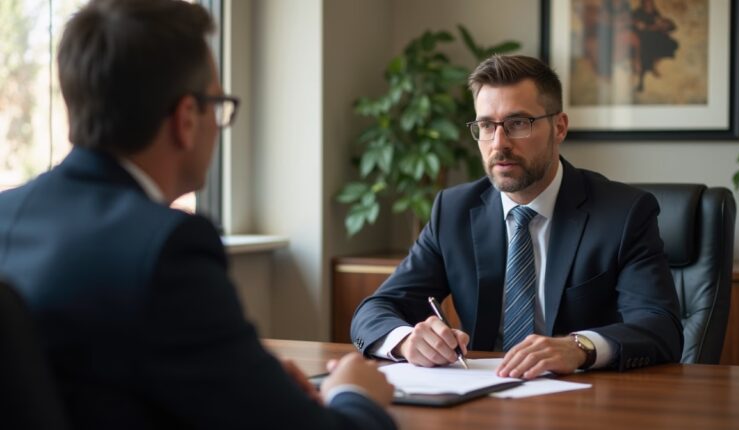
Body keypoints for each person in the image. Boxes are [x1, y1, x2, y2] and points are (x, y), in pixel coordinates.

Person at [0, 0, 395, 428]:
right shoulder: (165, 251)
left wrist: (249, 383)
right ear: (187, 119)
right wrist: (356, 395)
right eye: (218, 104)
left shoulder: (7, 213)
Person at [350, 55, 683, 379]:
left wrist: (579, 347)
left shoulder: (623, 213)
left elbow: (660, 326)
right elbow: (374, 311)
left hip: (584, 399)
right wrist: (407, 341)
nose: (499, 143)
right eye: (485, 125)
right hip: (480, 394)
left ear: (560, 127)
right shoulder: (453, 211)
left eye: (518, 124)